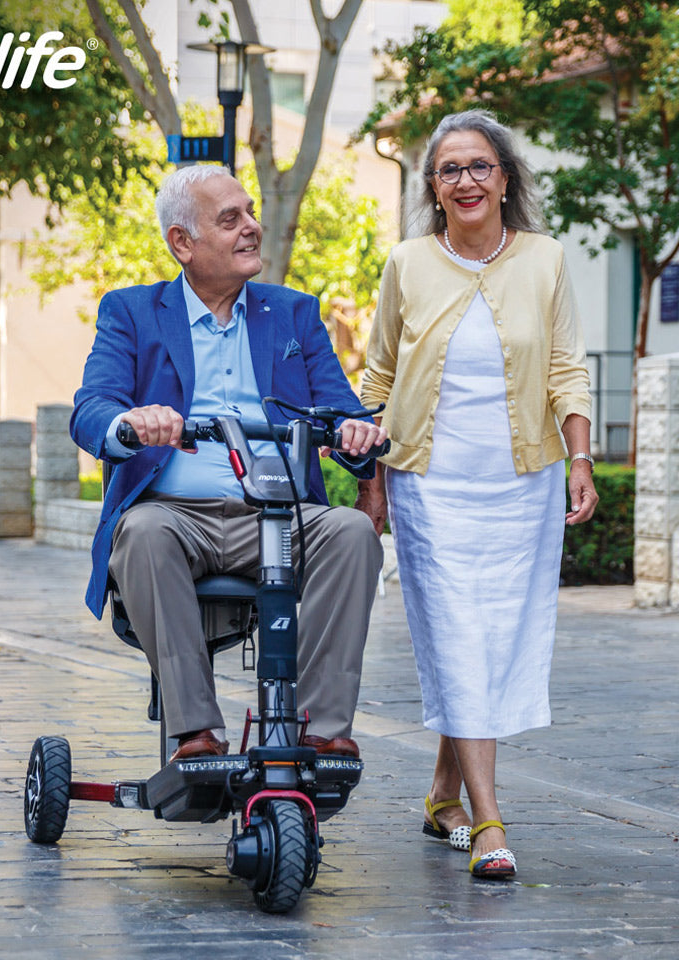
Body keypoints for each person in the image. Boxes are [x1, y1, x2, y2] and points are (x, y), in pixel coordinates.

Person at [71, 164, 388, 763]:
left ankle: (320, 729)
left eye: (250, 213)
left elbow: (345, 411)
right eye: (230, 219)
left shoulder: (292, 313)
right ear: (182, 244)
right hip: (174, 515)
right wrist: (130, 424)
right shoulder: (132, 312)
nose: (252, 228)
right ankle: (194, 731)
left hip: (278, 513)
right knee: (139, 533)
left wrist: (355, 431)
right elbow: (92, 407)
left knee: (349, 533)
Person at [358, 110, 598, 880]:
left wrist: (582, 457)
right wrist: (373, 485)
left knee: (493, 639)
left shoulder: (545, 260)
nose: (465, 180)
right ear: (432, 187)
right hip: (430, 481)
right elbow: (378, 379)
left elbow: (566, 365)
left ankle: (441, 795)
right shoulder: (407, 263)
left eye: (479, 166)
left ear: (505, 178)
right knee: (458, 633)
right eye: (449, 169)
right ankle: (488, 824)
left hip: (523, 483)